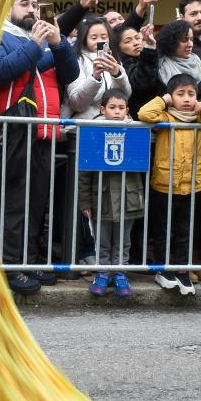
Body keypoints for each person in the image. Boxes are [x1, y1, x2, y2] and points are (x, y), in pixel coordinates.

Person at [0, 0, 80, 294]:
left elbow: (70, 75)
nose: (32, 10)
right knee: (13, 203)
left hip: (43, 131)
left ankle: (27, 261)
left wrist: (59, 44)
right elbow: (0, 72)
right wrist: (36, 45)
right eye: (24, 3)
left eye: (36, 5)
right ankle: (9, 266)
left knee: (35, 204)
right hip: (12, 131)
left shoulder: (41, 41)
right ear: (7, 8)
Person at [138, 73, 201, 295]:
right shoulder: (165, 116)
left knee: (185, 231)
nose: (187, 98)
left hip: (193, 184)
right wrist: (163, 100)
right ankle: (163, 270)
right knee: (163, 230)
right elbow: (144, 113)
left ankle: (182, 270)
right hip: (164, 183)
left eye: (191, 94)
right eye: (180, 94)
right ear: (171, 97)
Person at [80, 90, 144, 298]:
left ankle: (120, 273)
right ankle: (102, 273)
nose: (117, 112)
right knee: (102, 240)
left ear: (127, 110)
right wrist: (84, 201)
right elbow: (84, 172)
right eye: (112, 107)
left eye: (121, 108)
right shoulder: (93, 132)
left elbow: (141, 163)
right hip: (101, 198)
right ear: (102, 109)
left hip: (128, 198)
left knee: (124, 241)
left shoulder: (135, 132)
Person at [64, 16, 131, 119]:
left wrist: (117, 75)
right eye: (94, 38)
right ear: (85, 39)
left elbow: (126, 96)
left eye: (104, 37)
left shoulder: (114, 59)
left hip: (114, 122)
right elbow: (77, 104)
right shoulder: (76, 60)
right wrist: (95, 78)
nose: (100, 41)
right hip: (85, 123)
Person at [155, 19, 201, 96]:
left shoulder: (196, 60)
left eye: (191, 39)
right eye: (184, 40)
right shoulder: (162, 67)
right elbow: (185, 101)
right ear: (172, 42)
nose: (190, 44)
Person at [114, 23, 160, 120]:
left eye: (137, 38)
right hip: (140, 119)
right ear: (118, 47)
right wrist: (149, 50)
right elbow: (143, 81)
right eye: (128, 41)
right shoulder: (120, 66)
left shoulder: (151, 56)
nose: (136, 43)